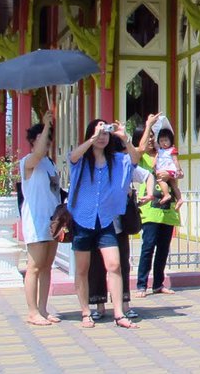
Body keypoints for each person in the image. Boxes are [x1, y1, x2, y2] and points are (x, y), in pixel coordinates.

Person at [67, 118, 142, 329]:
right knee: (82, 269)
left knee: (115, 265)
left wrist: (124, 137)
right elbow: (72, 157)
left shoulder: (116, 160)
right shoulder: (82, 160)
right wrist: (91, 140)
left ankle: (119, 313)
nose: (102, 137)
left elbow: (135, 158)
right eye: (98, 133)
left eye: (105, 133)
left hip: (105, 220)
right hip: (83, 220)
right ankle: (85, 312)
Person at [20, 113, 62, 326]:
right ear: (33, 140)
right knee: (34, 266)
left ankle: (43, 309)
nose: (46, 142)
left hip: (52, 221)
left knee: (47, 266)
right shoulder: (29, 162)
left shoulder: (50, 163)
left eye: (48, 139)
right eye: (42, 138)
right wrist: (45, 125)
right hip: (36, 220)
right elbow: (37, 154)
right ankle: (32, 311)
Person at [135, 114, 181, 297]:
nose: (153, 140)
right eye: (151, 137)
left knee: (163, 248)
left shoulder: (167, 154)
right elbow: (139, 148)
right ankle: (141, 285)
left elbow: (179, 173)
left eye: (156, 136)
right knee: (148, 246)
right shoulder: (143, 157)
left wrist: (171, 175)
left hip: (168, 208)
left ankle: (158, 284)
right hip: (151, 207)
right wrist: (148, 125)